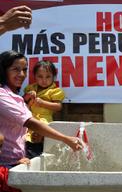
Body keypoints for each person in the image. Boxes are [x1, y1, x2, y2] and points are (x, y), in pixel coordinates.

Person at [0, 50, 82, 191]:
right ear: (3, 70)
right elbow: (29, 122)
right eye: (15, 69)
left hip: (16, 162)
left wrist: (21, 157)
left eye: (24, 70)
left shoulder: (16, 95)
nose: (21, 74)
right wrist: (66, 139)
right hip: (4, 166)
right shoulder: (2, 94)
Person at [23, 60, 65, 159]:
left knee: (39, 133)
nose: (44, 80)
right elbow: (23, 100)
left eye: (48, 77)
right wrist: (28, 95)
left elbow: (58, 107)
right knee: (25, 137)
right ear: (35, 76)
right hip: (29, 117)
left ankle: (38, 145)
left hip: (44, 119)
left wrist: (43, 103)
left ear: (53, 77)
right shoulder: (30, 88)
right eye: (40, 77)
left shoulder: (55, 91)